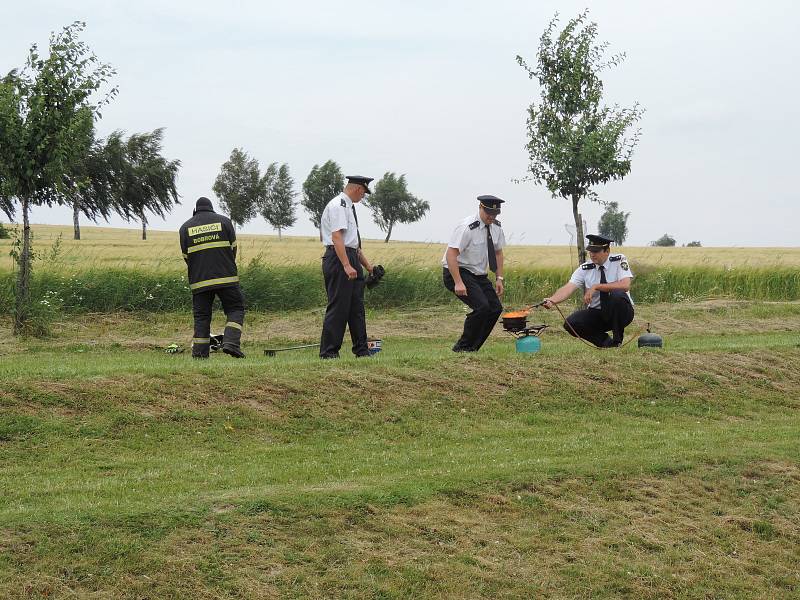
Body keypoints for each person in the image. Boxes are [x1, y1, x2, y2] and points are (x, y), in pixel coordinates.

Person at [179, 197, 246, 358]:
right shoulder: (224, 222)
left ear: (195, 210)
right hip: (226, 278)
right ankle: (230, 343)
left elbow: (186, 257)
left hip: (199, 282)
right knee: (235, 309)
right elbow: (233, 250)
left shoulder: (185, 228)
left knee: (202, 317)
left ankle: (200, 354)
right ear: (211, 208)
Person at [319, 175, 376, 359]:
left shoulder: (348, 207)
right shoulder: (339, 206)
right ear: (358, 189)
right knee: (339, 307)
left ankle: (362, 350)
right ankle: (329, 352)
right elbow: (337, 237)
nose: (363, 197)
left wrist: (368, 266)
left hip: (349, 255)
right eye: (364, 193)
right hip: (338, 258)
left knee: (356, 308)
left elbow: (352, 244)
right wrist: (346, 265)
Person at [542, 234, 634, 347]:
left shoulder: (619, 260)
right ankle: (606, 343)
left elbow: (625, 285)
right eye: (590, 251)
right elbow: (569, 287)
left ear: (607, 251)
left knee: (617, 295)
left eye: (596, 251)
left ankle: (617, 341)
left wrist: (596, 286)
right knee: (571, 323)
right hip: (598, 313)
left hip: (622, 312)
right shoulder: (585, 268)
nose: (592, 254)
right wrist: (552, 300)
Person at [442, 195, 506, 352]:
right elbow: (451, 254)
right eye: (489, 213)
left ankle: (473, 348)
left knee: (495, 308)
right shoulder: (467, 227)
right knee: (482, 307)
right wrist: (458, 282)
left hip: (478, 274)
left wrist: (499, 278)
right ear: (480, 207)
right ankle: (462, 348)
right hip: (458, 271)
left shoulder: (496, 227)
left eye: (495, 214)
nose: (492, 217)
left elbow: (498, 253)